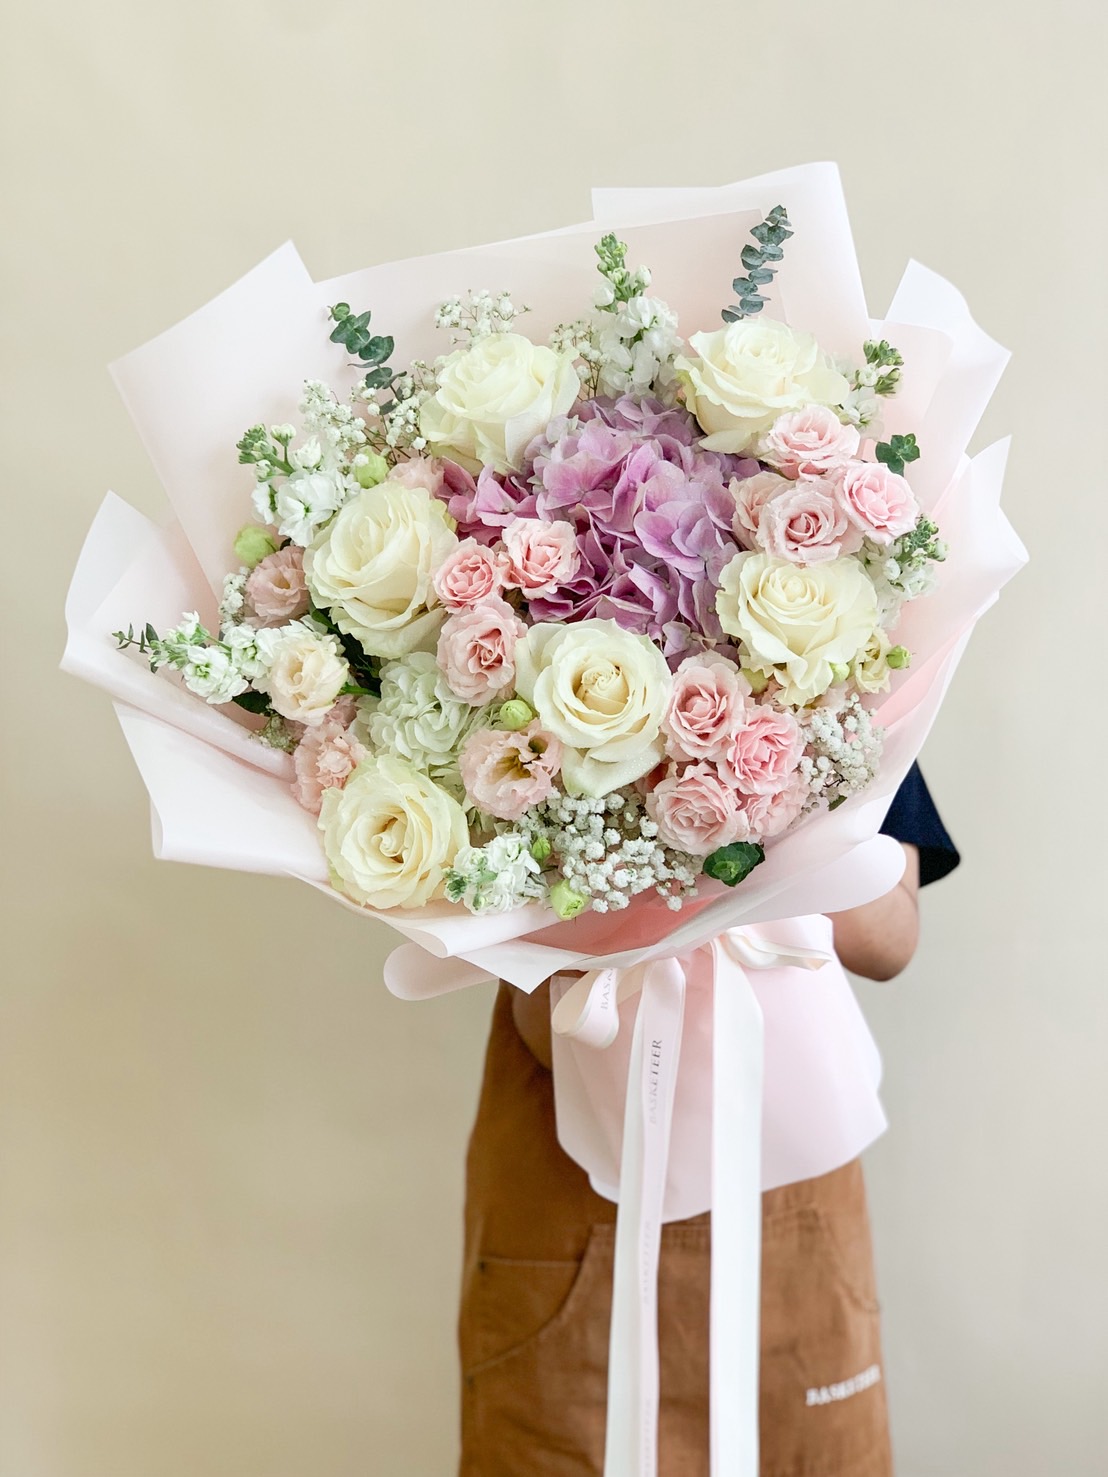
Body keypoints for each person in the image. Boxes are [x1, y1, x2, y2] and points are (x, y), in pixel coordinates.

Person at [457, 764, 958, 1477]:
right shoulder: (505, 723)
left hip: (787, 1156)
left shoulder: (844, 689)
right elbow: (528, 991)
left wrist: (777, 780)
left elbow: (888, 942)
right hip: (572, 1162)